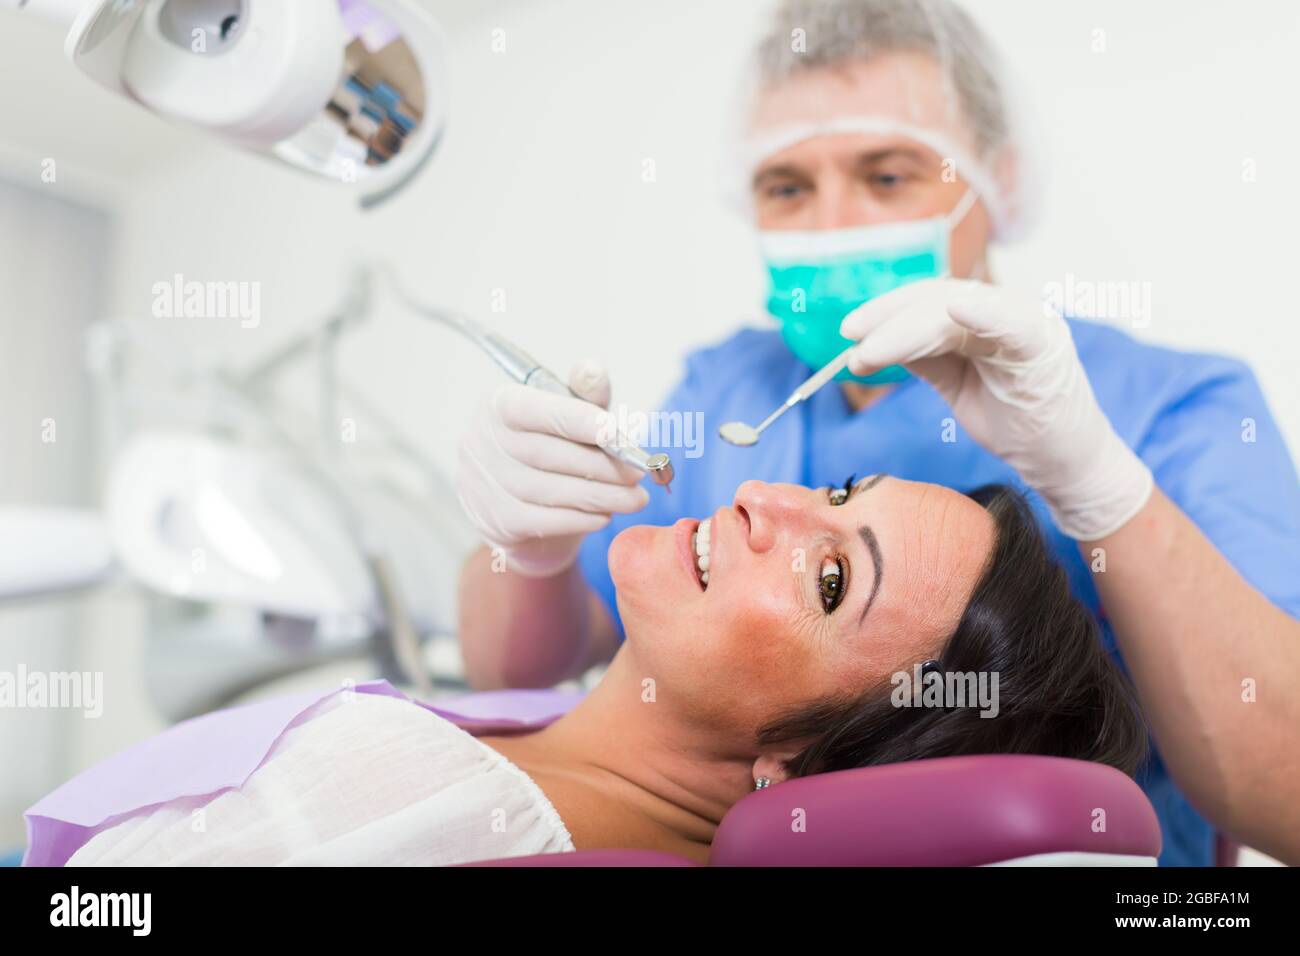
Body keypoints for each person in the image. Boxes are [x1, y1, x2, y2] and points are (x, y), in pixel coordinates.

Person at [454, 0, 1300, 866]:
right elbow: (517, 675)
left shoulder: (1176, 407)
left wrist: (1100, 487)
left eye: (888, 176)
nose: (832, 226)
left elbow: (1291, 796)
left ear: (996, 180)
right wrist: (529, 549)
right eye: (787, 186)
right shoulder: (726, 389)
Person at [62, 479, 1144, 865]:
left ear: (799, 761)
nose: (766, 496)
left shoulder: (422, 788)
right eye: (840, 487)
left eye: (828, 578)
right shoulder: (549, 739)